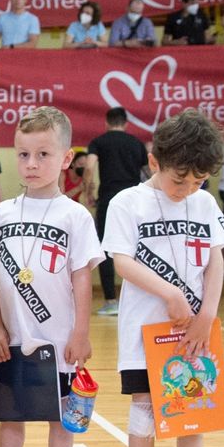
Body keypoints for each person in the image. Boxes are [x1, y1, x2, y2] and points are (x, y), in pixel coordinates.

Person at [102, 109, 224, 447]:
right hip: (146, 330)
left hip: (194, 332)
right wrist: (170, 293)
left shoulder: (204, 203)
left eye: (199, 181)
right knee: (144, 407)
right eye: (180, 180)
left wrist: (207, 315)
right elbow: (122, 262)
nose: (188, 189)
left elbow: (215, 260)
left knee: (193, 409)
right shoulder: (127, 202)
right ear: (154, 161)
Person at [0, 106, 103, 447]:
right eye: (24, 155)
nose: (31, 164)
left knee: (59, 415)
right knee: (11, 413)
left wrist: (81, 332)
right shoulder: (2, 213)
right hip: (11, 336)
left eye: (43, 155)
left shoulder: (75, 216)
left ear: (66, 158)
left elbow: (82, 278)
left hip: (59, 338)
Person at [84, 106, 147, 316]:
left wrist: (88, 191)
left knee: (106, 249)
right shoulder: (136, 143)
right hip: (135, 201)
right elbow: (148, 172)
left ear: (106, 122)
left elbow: (89, 167)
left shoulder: (99, 141)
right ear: (126, 123)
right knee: (140, 248)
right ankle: (142, 298)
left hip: (109, 200)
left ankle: (111, 300)